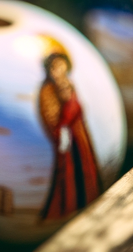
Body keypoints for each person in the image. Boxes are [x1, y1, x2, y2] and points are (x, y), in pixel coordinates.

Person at [37, 51, 101, 221]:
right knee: (67, 176)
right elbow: (49, 115)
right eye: (54, 67)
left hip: (78, 137)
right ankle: (67, 207)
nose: (58, 70)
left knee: (84, 170)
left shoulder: (69, 84)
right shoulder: (47, 89)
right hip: (65, 140)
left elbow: (77, 107)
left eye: (61, 66)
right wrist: (62, 126)